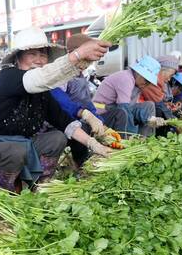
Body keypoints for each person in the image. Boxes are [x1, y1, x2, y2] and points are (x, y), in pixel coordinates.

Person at [0, 27, 112, 192]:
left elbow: (65, 121)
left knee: (57, 137)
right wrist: (77, 54)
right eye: (32, 54)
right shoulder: (7, 76)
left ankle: (41, 185)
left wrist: (93, 143)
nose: (39, 60)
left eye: (42, 54)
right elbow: (40, 79)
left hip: (22, 147)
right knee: (14, 151)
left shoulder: (42, 92)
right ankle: (5, 195)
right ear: (18, 57)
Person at [50, 34, 127, 166]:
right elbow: (61, 102)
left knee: (119, 113)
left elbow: (87, 103)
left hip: (81, 115)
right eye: (86, 59)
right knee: (82, 125)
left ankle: (115, 149)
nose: (87, 65)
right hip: (63, 121)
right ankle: (83, 165)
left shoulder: (81, 74)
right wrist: (84, 114)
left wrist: (100, 123)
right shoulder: (59, 74)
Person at [93, 55, 166, 137]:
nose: (146, 84)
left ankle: (146, 139)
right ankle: (128, 140)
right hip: (102, 112)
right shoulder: (126, 78)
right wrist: (133, 134)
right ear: (139, 73)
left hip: (116, 108)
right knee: (123, 112)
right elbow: (124, 107)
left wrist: (149, 118)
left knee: (149, 105)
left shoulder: (137, 83)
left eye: (149, 82)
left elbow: (132, 106)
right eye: (146, 80)